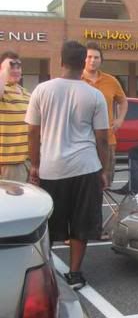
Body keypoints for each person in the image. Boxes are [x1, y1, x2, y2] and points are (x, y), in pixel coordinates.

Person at [26, 41, 109, 290]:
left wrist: (35, 165)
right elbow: (102, 138)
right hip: (86, 167)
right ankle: (75, 274)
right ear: (84, 61)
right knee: (82, 222)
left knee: (49, 225)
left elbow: (32, 132)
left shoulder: (41, 90)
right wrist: (103, 170)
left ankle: (45, 272)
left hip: (52, 168)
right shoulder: (94, 95)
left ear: (60, 61)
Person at [82, 41, 127, 187]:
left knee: (105, 182)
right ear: (83, 59)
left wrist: (119, 120)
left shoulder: (111, 81)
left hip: (107, 141)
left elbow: (123, 101)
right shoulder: (76, 80)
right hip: (83, 141)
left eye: (96, 57)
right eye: (89, 57)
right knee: (85, 184)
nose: (92, 61)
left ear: (101, 60)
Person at [0, 51, 31, 182]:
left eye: (19, 66)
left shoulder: (26, 93)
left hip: (27, 162)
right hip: (9, 164)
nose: (16, 70)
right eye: (11, 66)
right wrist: (5, 71)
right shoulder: (3, 90)